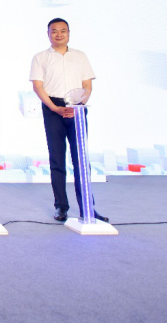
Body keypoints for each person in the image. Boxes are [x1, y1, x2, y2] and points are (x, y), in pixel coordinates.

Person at [29, 18, 108, 223]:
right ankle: (61, 206)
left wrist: (78, 105)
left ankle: (87, 208)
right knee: (57, 159)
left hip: (77, 109)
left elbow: (87, 86)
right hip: (52, 107)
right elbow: (38, 86)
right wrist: (54, 107)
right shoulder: (40, 57)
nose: (59, 34)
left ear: (69, 33)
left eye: (63, 31)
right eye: (54, 31)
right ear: (48, 34)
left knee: (81, 159)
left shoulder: (80, 56)